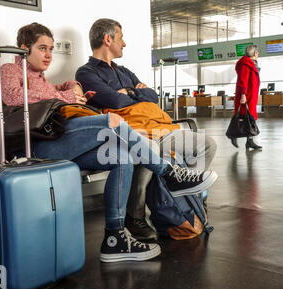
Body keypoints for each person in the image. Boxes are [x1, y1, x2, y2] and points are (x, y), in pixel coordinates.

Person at [0, 22, 218, 263]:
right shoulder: (9, 68)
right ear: (24, 49)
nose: (48, 55)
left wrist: (72, 87)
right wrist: (67, 95)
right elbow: (15, 97)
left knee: (120, 157)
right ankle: (170, 174)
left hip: (56, 137)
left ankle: (115, 237)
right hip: (35, 143)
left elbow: (58, 92)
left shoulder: (41, 78)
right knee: (113, 120)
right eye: (42, 48)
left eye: (51, 49)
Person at [76, 18, 217, 241]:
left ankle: (190, 197)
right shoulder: (86, 73)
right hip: (131, 132)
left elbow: (153, 96)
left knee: (206, 144)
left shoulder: (124, 72)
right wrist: (134, 93)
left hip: (158, 127)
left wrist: (129, 92)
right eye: (121, 38)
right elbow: (114, 100)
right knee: (148, 148)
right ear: (107, 39)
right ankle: (136, 216)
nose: (124, 44)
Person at [230, 44, 262, 150]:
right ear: (254, 53)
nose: (258, 54)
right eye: (257, 52)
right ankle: (233, 135)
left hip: (251, 95)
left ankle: (250, 141)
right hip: (246, 95)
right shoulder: (245, 64)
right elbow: (242, 80)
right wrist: (243, 95)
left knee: (249, 118)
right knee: (242, 117)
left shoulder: (252, 64)